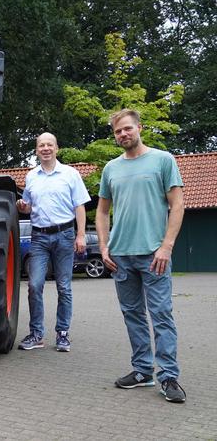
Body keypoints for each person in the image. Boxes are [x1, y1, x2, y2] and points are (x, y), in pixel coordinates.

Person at [96, 109, 186, 403]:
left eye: (127, 129)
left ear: (139, 128)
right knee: (133, 315)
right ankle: (142, 370)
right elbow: (102, 210)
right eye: (117, 132)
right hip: (120, 256)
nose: (123, 134)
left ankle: (169, 376)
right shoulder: (111, 168)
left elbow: (177, 204)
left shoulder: (163, 160)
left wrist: (167, 246)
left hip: (154, 254)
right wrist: (105, 247)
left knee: (161, 315)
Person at [16, 133, 90, 352]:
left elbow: (79, 206)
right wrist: (23, 207)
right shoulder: (31, 176)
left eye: (49, 145)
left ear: (57, 148)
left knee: (64, 286)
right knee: (34, 285)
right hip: (39, 237)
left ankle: (63, 334)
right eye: (41, 145)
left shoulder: (70, 174)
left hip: (65, 235)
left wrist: (81, 235)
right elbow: (29, 206)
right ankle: (37, 334)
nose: (45, 148)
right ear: (37, 150)